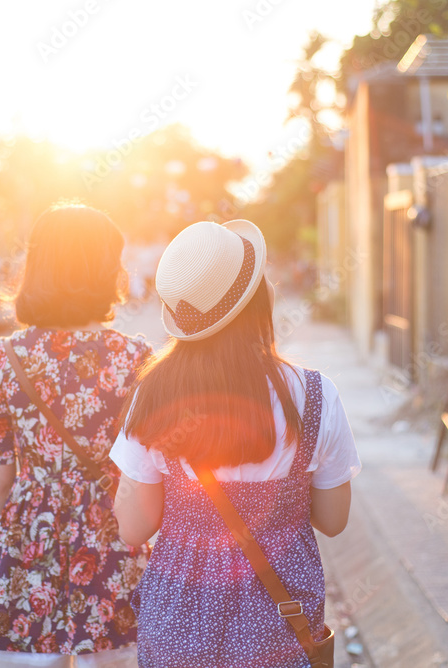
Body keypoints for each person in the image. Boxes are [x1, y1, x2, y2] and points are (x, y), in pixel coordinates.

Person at [110, 219, 361, 668]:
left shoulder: (153, 396)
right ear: (258, 299)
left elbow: (132, 527)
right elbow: (334, 519)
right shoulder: (316, 394)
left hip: (178, 626)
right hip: (281, 625)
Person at [0, 204, 152, 668]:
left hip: (26, 546)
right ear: (103, 270)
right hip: (113, 544)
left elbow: (0, 479)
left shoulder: (6, 358)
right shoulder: (136, 359)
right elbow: (151, 474)